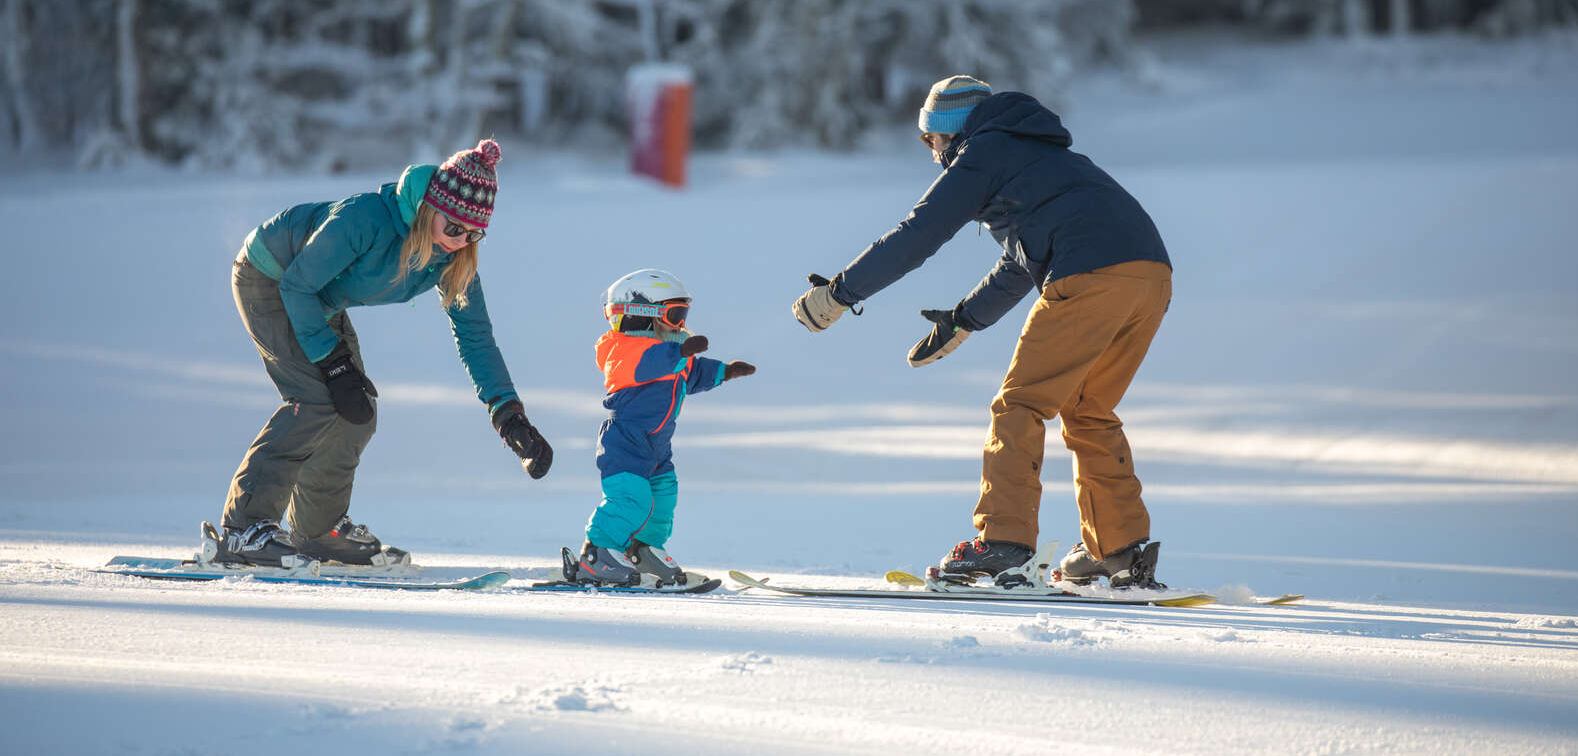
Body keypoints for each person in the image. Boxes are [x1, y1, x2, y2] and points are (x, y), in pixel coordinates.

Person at [791, 76, 1172, 588]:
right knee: (1088, 409)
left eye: (930, 139)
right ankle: (1119, 549)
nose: (931, 153)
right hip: (1150, 275)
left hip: (1091, 274)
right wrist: (963, 319)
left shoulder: (984, 150)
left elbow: (919, 233)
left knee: (1019, 404)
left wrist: (839, 293)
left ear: (949, 130)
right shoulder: (1036, 157)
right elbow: (1021, 262)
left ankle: (1004, 544)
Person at [215, 138, 553, 568]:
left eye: (473, 234)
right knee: (317, 398)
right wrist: (332, 363)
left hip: (318, 298)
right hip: (270, 276)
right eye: (453, 228)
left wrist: (508, 413)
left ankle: (318, 531)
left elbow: (475, 336)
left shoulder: (451, 257)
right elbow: (297, 284)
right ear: (431, 208)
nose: (460, 241)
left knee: (358, 411)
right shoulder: (366, 218)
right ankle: (243, 529)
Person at [567, 268, 755, 586]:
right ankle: (595, 556)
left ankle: (641, 549)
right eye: (675, 315)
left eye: (683, 315)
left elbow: (692, 373)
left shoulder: (672, 355)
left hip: (657, 445)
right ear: (642, 314)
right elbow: (651, 362)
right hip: (625, 440)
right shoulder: (621, 351)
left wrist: (724, 371)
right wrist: (679, 350)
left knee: (664, 497)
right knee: (631, 499)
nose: (680, 324)